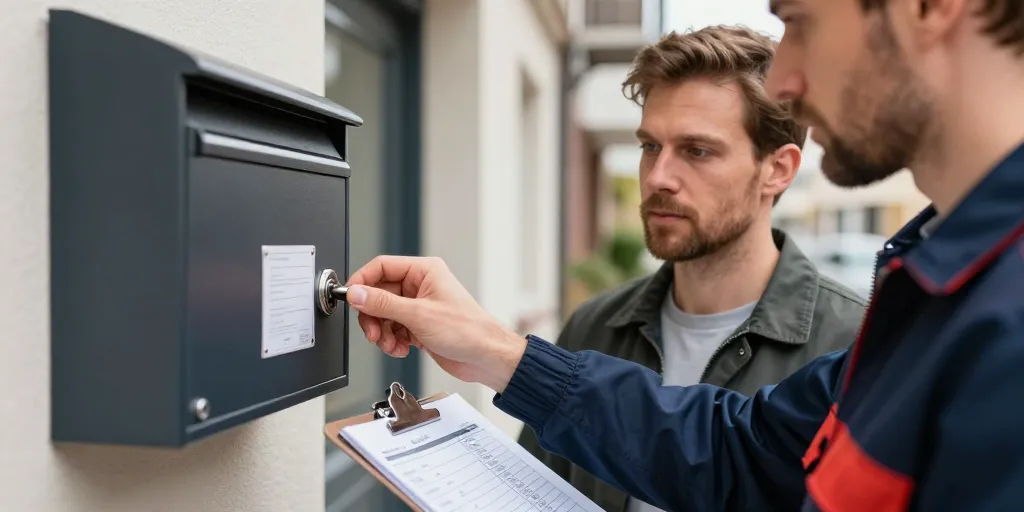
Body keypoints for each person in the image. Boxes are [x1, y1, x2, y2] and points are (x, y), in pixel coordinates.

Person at [343, 0, 1024, 509]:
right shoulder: (927, 300)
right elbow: (737, 450)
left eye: (804, 22)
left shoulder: (981, 315)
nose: (787, 77)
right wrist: (496, 350)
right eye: (649, 146)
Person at [515, 26, 867, 512]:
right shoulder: (594, 327)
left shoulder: (856, 345)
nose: (658, 178)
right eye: (650, 147)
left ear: (778, 169)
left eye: (697, 151)